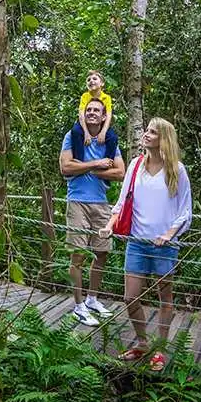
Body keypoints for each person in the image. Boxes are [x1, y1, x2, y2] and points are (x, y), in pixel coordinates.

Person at [102, 117, 193, 372]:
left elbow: (185, 211)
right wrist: (109, 226)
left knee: (165, 298)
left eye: (152, 132)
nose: (146, 134)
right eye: (147, 131)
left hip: (166, 244)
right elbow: (122, 202)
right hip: (138, 242)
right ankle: (143, 343)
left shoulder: (177, 169)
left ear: (164, 138)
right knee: (130, 297)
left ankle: (160, 349)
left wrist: (169, 234)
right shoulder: (135, 165)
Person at [59, 98, 123, 326]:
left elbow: (119, 173)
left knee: (101, 253)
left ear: (104, 117)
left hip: (101, 204)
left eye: (97, 110)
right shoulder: (72, 136)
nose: (92, 113)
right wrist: (97, 164)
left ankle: (92, 299)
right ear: (83, 115)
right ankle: (78, 306)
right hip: (77, 202)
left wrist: (85, 167)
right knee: (77, 255)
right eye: (89, 110)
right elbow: (65, 167)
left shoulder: (110, 141)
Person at [76, 71, 115, 146]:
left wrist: (103, 132)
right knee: (76, 132)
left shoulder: (106, 97)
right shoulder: (85, 96)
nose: (91, 81)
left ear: (102, 83)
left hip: (100, 124)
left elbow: (108, 115)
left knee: (112, 137)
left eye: (94, 79)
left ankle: (109, 157)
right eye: (88, 80)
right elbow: (81, 114)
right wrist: (86, 132)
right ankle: (78, 156)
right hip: (86, 123)